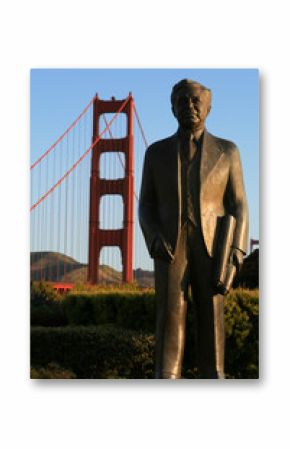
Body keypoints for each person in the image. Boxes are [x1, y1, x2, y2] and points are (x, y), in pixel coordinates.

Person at [139, 79, 248, 379]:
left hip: (215, 245)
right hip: (170, 246)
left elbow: (239, 204)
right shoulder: (155, 153)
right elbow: (145, 206)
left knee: (212, 319)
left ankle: (214, 378)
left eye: (196, 100)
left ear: (209, 106)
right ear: (172, 108)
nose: (189, 106)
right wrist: (154, 237)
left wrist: (237, 251)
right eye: (182, 101)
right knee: (170, 319)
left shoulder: (228, 152)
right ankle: (167, 378)